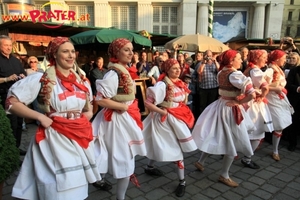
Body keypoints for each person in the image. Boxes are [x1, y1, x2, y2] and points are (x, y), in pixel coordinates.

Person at [7, 37, 102, 200]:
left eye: (73, 51)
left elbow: (88, 109)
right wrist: (39, 116)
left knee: (78, 183)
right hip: (54, 138)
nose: (71, 55)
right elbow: (11, 102)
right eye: (65, 51)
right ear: (54, 55)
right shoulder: (42, 79)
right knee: (59, 187)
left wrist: (85, 117)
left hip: (79, 137)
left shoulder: (81, 81)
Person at [92, 38, 147, 200]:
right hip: (116, 120)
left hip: (125, 118)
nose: (131, 53)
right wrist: (122, 107)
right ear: (117, 52)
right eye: (126, 50)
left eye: (132, 50)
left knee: (123, 156)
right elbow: (100, 99)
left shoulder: (124, 70)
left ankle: (117, 194)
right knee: (123, 158)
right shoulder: (113, 73)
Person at [192, 50, 256, 187]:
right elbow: (252, 94)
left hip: (220, 105)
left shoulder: (222, 72)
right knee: (232, 140)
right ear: (231, 61)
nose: (241, 60)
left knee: (214, 134)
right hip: (229, 109)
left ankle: (201, 161)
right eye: (239, 58)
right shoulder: (235, 74)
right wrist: (239, 102)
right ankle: (224, 174)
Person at [142, 58, 197, 197]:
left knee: (161, 144)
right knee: (175, 148)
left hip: (177, 118)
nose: (178, 70)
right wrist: (162, 111)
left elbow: (182, 102)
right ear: (167, 70)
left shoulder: (179, 83)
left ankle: (149, 166)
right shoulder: (162, 84)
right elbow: (148, 104)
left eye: (179, 67)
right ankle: (182, 181)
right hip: (165, 120)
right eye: (174, 68)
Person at [241, 49, 273, 169]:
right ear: (257, 58)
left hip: (248, 102)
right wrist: (262, 95)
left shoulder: (250, 69)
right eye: (264, 57)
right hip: (254, 104)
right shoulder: (255, 70)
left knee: (245, 130)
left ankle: (233, 152)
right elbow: (265, 87)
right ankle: (247, 158)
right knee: (257, 132)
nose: (266, 59)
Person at [264, 49, 294, 161]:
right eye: (283, 58)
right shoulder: (271, 70)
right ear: (277, 59)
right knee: (275, 123)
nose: (285, 60)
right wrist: (276, 88)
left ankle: (275, 150)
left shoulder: (278, 69)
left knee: (279, 125)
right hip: (271, 100)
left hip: (279, 99)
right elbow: (262, 85)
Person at [0, 35, 26, 156]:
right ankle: (10, 152)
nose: (8, 48)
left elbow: (24, 73)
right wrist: (6, 79)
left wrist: (23, 77)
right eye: (6, 45)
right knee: (11, 124)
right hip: (4, 97)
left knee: (19, 123)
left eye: (10, 45)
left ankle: (17, 147)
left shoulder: (16, 60)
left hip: (19, 97)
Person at [197, 50, 220, 115]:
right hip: (204, 88)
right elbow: (199, 72)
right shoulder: (201, 63)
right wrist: (204, 62)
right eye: (207, 55)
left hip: (214, 87)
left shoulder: (215, 63)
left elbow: (219, 70)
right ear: (204, 56)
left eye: (210, 55)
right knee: (203, 106)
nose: (208, 57)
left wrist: (215, 61)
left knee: (212, 105)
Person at [285, 52, 300, 151]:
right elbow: (288, 84)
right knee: (293, 122)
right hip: (295, 100)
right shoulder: (294, 71)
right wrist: (298, 88)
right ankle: (292, 143)